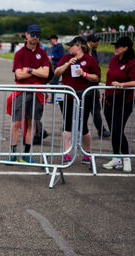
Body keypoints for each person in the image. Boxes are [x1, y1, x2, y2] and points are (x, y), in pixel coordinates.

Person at [54, 36, 100, 164]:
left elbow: (97, 78)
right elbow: (56, 73)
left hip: (84, 96)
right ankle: (66, 153)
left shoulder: (90, 60)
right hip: (67, 96)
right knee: (67, 123)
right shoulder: (66, 58)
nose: (69, 48)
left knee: (82, 124)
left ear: (79, 46)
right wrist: (67, 64)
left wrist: (84, 74)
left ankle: (87, 153)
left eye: (71, 45)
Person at [9, 24, 50, 163]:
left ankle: (26, 154)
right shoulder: (19, 53)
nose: (35, 37)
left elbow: (46, 73)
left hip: (37, 91)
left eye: (38, 34)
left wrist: (30, 70)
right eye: (32, 34)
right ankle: (13, 154)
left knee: (32, 123)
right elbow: (19, 75)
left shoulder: (42, 53)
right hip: (21, 90)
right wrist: (36, 71)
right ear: (26, 35)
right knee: (16, 123)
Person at [102, 36, 135, 173]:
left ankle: (126, 158)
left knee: (118, 130)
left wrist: (121, 84)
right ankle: (116, 157)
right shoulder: (113, 60)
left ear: (125, 48)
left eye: (118, 46)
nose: (115, 48)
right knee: (113, 131)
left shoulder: (132, 63)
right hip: (109, 100)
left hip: (124, 101)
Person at [87, 34, 111, 138]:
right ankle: (101, 130)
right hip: (88, 85)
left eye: (98, 40)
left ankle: (101, 130)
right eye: (95, 41)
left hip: (93, 85)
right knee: (93, 110)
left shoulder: (93, 52)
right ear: (89, 41)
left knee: (95, 110)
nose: (97, 42)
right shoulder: (87, 52)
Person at [48, 35, 64, 102]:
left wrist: (52, 57)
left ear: (54, 39)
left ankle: (55, 99)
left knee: (55, 83)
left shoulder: (59, 46)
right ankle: (53, 99)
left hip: (57, 66)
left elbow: (61, 56)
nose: (50, 41)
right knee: (51, 82)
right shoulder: (53, 47)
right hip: (52, 66)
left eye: (51, 40)